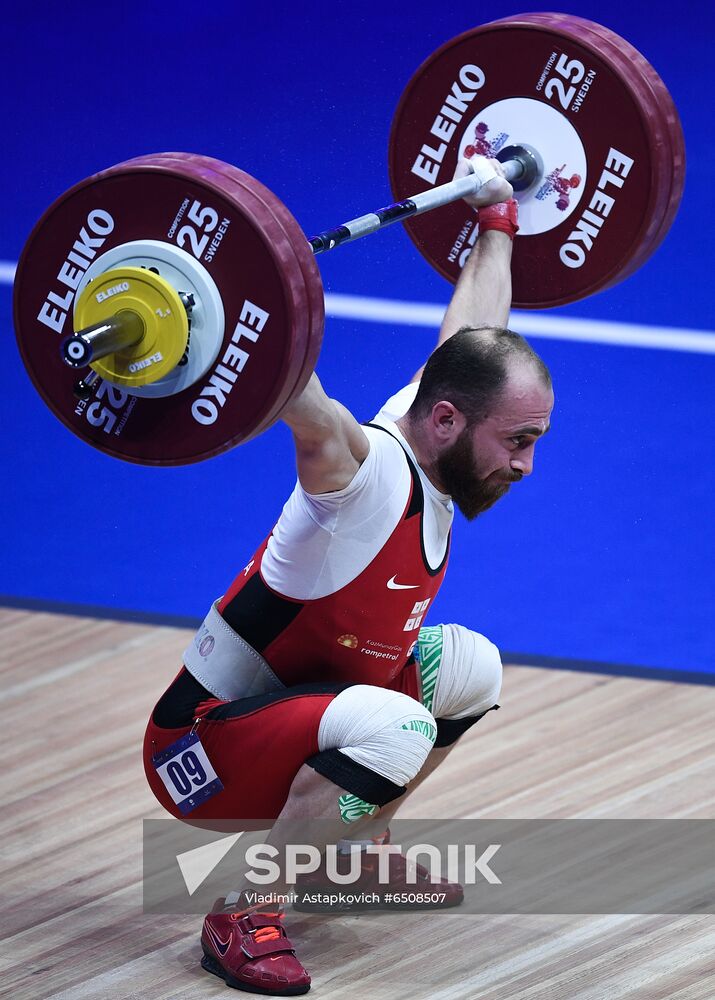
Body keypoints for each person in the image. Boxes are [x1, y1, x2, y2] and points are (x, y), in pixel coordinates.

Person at [143, 155, 554, 996]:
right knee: (394, 731)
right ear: (445, 422)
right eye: (518, 442)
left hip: (303, 712)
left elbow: (470, 339)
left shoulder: (440, 425)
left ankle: (349, 854)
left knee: (470, 667)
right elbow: (306, 404)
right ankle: (241, 914)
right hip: (203, 743)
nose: (527, 464)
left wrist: (497, 222)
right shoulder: (361, 479)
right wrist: (248, 308)